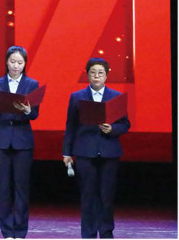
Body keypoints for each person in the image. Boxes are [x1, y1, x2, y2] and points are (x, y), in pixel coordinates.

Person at [62, 58, 130, 239]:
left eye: (100, 73)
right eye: (93, 72)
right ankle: (88, 234)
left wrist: (112, 129)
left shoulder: (116, 96)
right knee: (88, 196)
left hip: (109, 152)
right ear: (87, 74)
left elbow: (125, 124)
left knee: (106, 196)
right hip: (84, 151)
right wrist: (67, 152)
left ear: (106, 75)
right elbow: (71, 126)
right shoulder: (77, 97)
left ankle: (106, 233)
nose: (96, 76)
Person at [0, 46, 40, 239]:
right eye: (13, 61)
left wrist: (27, 111)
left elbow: (35, 114)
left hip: (23, 142)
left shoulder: (31, 84)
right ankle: (7, 232)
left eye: (20, 62)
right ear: (7, 62)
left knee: (21, 188)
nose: (16, 66)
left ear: (25, 64)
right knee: (3, 188)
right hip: (0, 140)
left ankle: (20, 232)